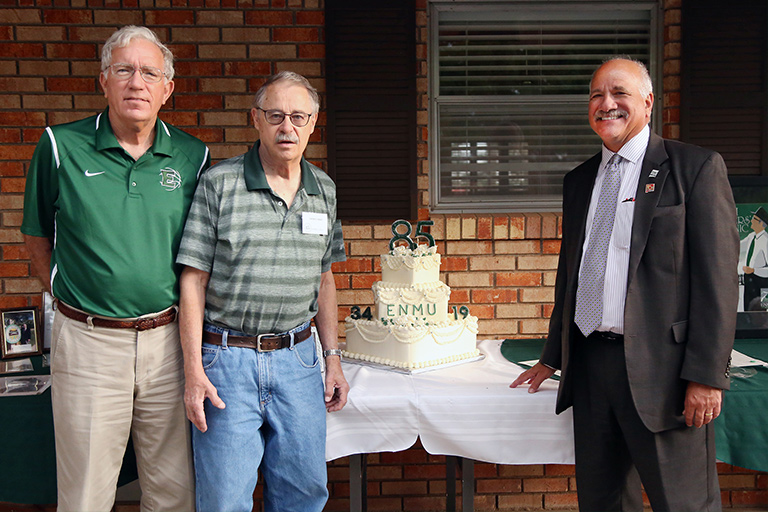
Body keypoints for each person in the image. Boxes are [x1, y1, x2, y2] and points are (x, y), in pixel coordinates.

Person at [511, 57, 738, 512]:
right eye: (596, 95)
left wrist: (707, 376)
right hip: (592, 367)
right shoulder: (578, 181)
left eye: (619, 93)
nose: (606, 104)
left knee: (684, 503)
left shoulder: (694, 168)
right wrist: (552, 355)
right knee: (604, 502)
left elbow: (718, 280)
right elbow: (572, 276)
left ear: (648, 103)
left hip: (666, 375)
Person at [21, 25, 210, 511]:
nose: (136, 83)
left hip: (169, 343)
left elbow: (203, 252)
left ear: (167, 89)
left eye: (149, 72)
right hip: (88, 341)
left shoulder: (194, 156)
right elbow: (36, 233)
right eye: (123, 70)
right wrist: (65, 291)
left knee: (173, 492)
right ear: (103, 80)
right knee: (86, 493)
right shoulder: (60, 146)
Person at [177, 70, 349, 512]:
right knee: (224, 499)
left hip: (299, 358)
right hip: (227, 362)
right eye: (275, 115)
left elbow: (325, 278)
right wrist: (194, 368)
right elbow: (192, 280)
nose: (286, 127)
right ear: (255, 119)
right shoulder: (220, 184)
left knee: (303, 494)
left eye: (298, 116)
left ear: (313, 123)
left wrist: (333, 359)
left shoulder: (324, 190)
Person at [740, 207, 768, 310]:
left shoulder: (766, 241)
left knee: (763, 312)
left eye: (754, 219)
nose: (751, 221)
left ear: (761, 223)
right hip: (750, 280)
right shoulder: (751, 237)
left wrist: (754, 270)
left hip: (763, 283)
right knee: (748, 309)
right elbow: (737, 245)